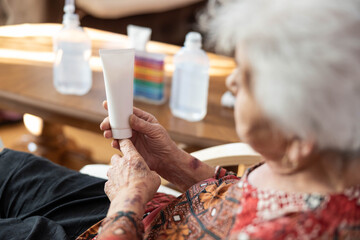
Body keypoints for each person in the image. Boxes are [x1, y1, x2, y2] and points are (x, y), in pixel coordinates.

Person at [1, 0, 360, 239]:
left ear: (300, 136)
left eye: (248, 78)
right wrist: (173, 161)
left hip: (124, 223)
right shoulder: (322, 164)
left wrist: (127, 199)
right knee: (12, 169)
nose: (232, 82)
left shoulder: (286, 229)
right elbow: (243, 196)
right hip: (148, 211)